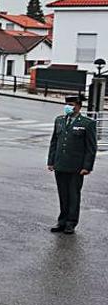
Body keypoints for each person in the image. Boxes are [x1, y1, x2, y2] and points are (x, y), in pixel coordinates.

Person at [47, 96, 97, 234]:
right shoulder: (60, 120)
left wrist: (87, 166)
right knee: (62, 194)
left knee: (73, 195)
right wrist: (51, 161)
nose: (68, 107)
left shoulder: (87, 123)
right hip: (60, 164)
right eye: (67, 104)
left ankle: (71, 222)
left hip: (76, 166)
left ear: (79, 106)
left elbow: (91, 147)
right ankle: (62, 221)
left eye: (71, 104)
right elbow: (54, 142)